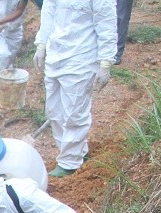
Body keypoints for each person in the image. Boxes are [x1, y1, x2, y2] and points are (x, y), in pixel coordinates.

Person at [33, 0, 117, 177]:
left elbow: (106, 22)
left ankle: (69, 163)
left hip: (82, 57)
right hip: (56, 54)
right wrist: (42, 44)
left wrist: (106, 62)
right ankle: (78, 151)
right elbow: (48, 12)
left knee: (74, 112)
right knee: (54, 110)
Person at [0, 0, 28, 72]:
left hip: (14, 32)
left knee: (10, 59)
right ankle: (0, 79)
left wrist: (4, 25)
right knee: (3, 55)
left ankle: (7, 78)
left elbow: (19, 12)